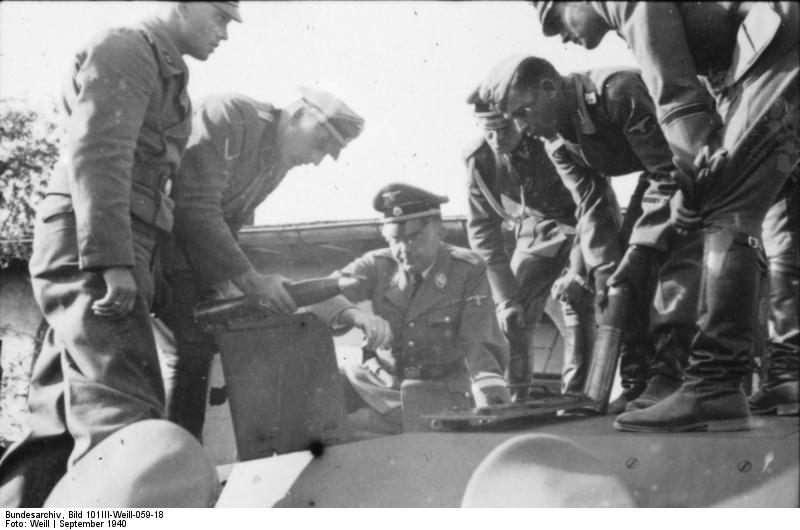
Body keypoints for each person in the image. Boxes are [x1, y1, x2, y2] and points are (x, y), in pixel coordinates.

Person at [0, 2, 240, 507]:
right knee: (124, 426)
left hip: (104, 243)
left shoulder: (162, 65)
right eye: (219, 15)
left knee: (60, 419)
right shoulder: (128, 48)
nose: (225, 31)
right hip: (97, 247)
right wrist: (112, 262)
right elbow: (99, 153)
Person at [532, 1, 799, 430]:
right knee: (785, 214)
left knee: (724, 205)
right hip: (783, 43)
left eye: (557, 20)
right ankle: (789, 375)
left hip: (781, 44)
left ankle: (715, 384)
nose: (561, 36)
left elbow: (675, 95)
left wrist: (697, 184)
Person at [474, 55, 702, 413]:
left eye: (523, 112)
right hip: (661, 175)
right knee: (618, 282)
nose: (519, 126)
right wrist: (602, 271)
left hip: (696, 166)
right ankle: (635, 383)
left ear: (549, 88)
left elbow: (668, 172)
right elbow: (591, 205)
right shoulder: (555, 140)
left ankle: (669, 379)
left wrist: (639, 253)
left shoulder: (617, 92)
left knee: (666, 257)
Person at [157, 88, 365, 439]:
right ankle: (167, 468)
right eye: (319, 141)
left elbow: (230, 223)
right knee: (175, 355)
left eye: (326, 153)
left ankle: (178, 465)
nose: (315, 159)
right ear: (299, 113)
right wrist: (251, 281)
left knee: (197, 352)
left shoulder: (276, 163)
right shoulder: (232, 116)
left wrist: (227, 284)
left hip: (181, 256)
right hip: (149, 246)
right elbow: (195, 207)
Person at [312, 183, 511, 433]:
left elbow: (480, 345)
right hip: (380, 384)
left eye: (414, 237)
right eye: (395, 239)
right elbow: (321, 295)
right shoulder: (377, 264)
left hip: (441, 391)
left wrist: (492, 402)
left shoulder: (467, 269)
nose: (403, 249)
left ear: (440, 231)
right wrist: (359, 318)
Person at [463, 99, 594, 398]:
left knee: (578, 300)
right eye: (488, 131)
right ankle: (514, 398)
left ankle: (579, 397)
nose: (496, 139)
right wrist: (506, 299)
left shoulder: (552, 136)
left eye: (503, 128)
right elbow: (483, 233)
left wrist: (577, 270)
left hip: (587, 226)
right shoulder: (479, 160)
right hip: (539, 232)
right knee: (511, 315)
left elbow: (592, 203)